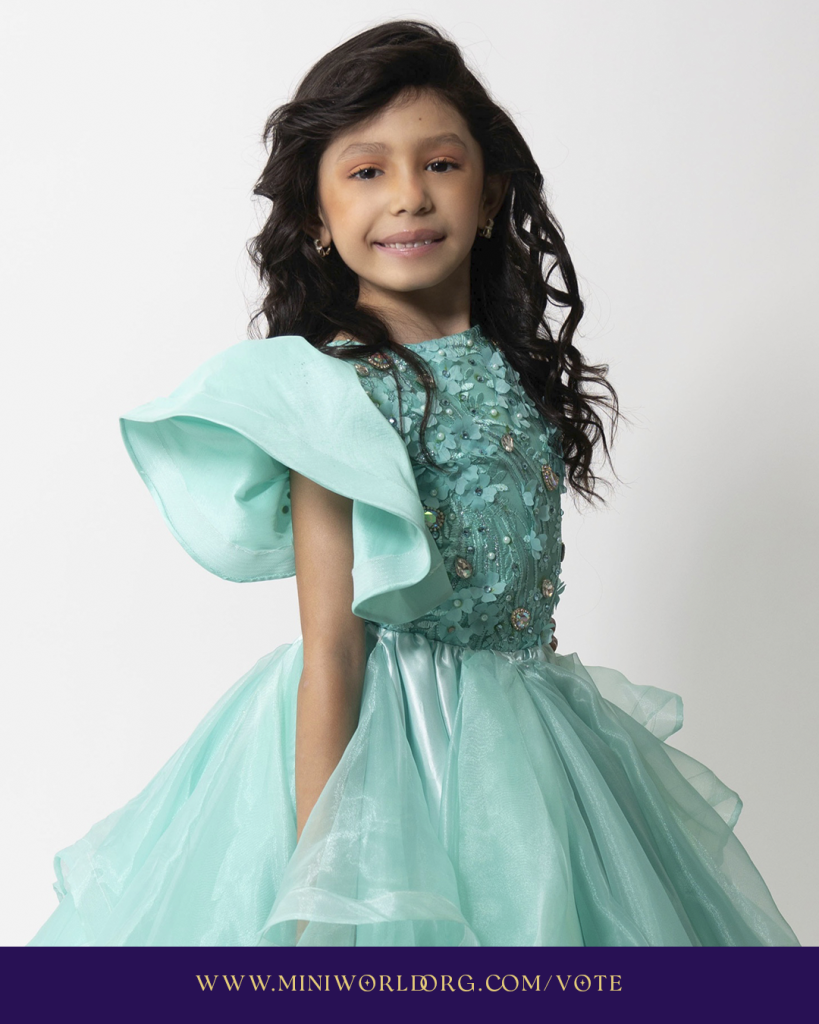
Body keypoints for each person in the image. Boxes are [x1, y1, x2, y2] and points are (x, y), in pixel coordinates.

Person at [27, 20, 799, 947]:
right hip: (388, 758)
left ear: (489, 194)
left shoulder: (511, 372)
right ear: (316, 217)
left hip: (530, 754)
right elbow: (333, 650)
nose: (407, 196)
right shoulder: (328, 392)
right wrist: (315, 893)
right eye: (366, 171)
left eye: (439, 164)